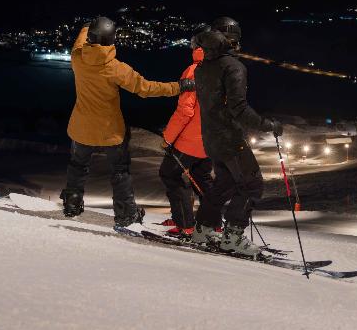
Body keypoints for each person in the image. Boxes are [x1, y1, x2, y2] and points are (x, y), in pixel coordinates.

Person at [63, 16, 189, 224]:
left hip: (81, 127)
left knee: (77, 166)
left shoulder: (78, 58)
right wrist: (179, 87)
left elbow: (78, 43)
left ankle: (72, 204)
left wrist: (86, 27)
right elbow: (146, 88)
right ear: (111, 39)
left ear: (91, 36)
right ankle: (126, 213)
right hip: (110, 131)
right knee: (119, 171)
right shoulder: (116, 68)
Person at [192, 17, 282, 255]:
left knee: (224, 184)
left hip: (211, 137)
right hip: (230, 138)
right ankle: (232, 237)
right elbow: (238, 108)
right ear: (231, 41)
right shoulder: (233, 67)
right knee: (252, 185)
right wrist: (268, 125)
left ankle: (203, 229)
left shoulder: (202, 66)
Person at [158, 30, 213, 238]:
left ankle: (185, 225)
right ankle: (212, 223)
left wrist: (168, 138)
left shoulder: (194, 71)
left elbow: (185, 111)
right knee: (202, 177)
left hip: (191, 140)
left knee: (169, 173)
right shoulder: (222, 70)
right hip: (212, 140)